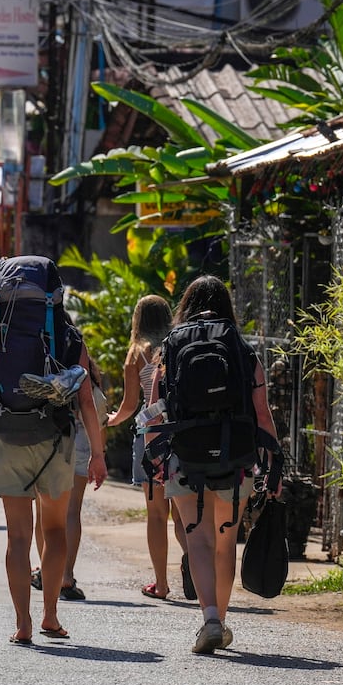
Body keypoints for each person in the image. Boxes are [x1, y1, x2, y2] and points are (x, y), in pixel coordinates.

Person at [0, 258, 107, 644]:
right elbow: (86, 402)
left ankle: (22, 624)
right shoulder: (69, 335)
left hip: (7, 438)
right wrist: (97, 453)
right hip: (55, 439)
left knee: (17, 537)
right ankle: (50, 616)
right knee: (55, 528)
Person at [147, 275, 281, 654]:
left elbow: (156, 409)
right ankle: (219, 622)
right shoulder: (241, 348)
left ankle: (208, 618)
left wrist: (155, 457)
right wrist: (274, 462)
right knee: (225, 542)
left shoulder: (171, 346)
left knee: (198, 539)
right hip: (234, 456)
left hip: (185, 456)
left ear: (185, 305)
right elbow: (261, 413)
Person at [106, 294, 189, 600]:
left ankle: (162, 584)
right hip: (181, 435)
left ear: (138, 320)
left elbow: (130, 406)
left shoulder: (137, 353)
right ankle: (196, 563)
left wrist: (110, 420)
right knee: (183, 514)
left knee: (156, 515)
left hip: (151, 435)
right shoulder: (176, 344)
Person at [32, 356, 107, 601]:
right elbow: (100, 419)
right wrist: (99, 455)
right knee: (72, 512)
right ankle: (66, 575)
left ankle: (46, 569)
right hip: (83, 449)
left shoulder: (46, 374)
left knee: (44, 512)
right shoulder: (89, 384)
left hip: (52, 445)